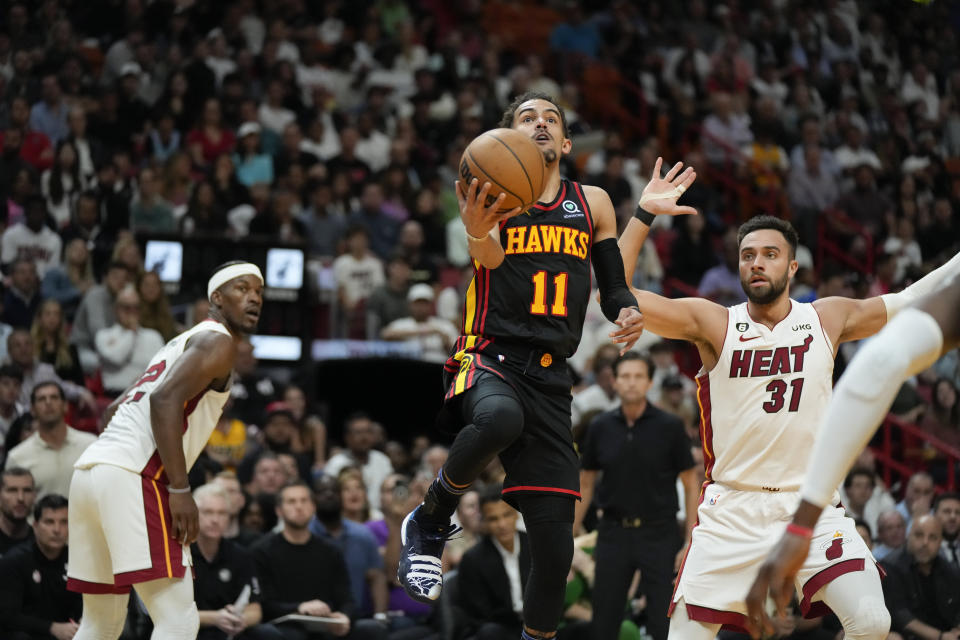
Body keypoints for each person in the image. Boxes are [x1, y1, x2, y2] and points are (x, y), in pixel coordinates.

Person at [397, 91, 693, 640]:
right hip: (490, 355)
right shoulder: (494, 190)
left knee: (555, 550)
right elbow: (484, 260)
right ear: (508, 136)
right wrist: (477, 229)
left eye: (550, 119)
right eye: (526, 118)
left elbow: (612, 289)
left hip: (553, 379)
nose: (539, 124)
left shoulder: (594, 203)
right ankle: (432, 516)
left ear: (565, 142)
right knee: (499, 420)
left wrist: (628, 310)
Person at [615, 212, 960, 640]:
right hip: (732, 511)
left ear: (792, 267)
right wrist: (645, 213)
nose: (756, 263)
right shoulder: (715, 323)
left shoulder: (826, 318)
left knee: (873, 621)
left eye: (770, 255)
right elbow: (617, 293)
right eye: (747, 256)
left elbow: (910, 299)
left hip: (808, 506)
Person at [742, 253, 960, 638]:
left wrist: (802, 524)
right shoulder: (730, 323)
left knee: (873, 620)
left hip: (800, 503)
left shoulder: (826, 318)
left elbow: (881, 362)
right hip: (743, 500)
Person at [66, 261, 264, 640]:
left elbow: (113, 410)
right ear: (216, 298)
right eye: (242, 288)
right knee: (178, 619)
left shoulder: (179, 343)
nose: (254, 297)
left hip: (91, 471)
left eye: (258, 292)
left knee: (101, 623)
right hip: (134, 475)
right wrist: (179, 488)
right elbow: (164, 401)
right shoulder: (218, 341)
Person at [574, 351, 698, 640]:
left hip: (659, 533)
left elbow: (691, 483)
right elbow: (587, 482)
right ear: (614, 382)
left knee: (661, 622)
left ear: (649, 382)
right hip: (613, 532)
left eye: (638, 376)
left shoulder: (669, 426)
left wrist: (691, 538)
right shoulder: (600, 426)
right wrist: (570, 536)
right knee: (604, 621)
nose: (631, 383)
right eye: (625, 376)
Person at [252, 482, 386, 640]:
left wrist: (344, 617)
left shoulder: (330, 551)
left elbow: (347, 599)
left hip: (326, 624)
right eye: (292, 502)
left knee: (371, 629)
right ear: (279, 511)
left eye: (304, 501)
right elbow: (264, 604)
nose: (299, 507)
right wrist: (300, 608)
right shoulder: (262, 551)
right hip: (286, 624)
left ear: (313, 507)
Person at [191, 483, 283, 640]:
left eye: (222, 513)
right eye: (208, 512)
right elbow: (171, 614)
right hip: (192, 630)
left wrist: (241, 620)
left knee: (269, 634)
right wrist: (215, 618)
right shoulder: (180, 555)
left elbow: (255, 609)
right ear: (194, 514)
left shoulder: (240, 555)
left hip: (229, 628)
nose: (215, 519)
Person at [0, 493, 81, 640]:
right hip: (29, 633)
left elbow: (83, 605)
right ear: (35, 526)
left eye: (64, 522)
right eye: (49, 522)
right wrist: (51, 628)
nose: (57, 529)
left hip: (68, 633)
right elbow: (8, 616)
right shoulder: (15, 561)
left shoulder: (78, 559)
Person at [309, 475, 389, 622]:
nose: (329, 494)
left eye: (334, 490)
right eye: (322, 491)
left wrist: (380, 616)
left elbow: (377, 577)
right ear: (313, 498)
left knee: (374, 630)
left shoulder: (362, 534)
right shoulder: (305, 535)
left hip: (356, 617)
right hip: (314, 618)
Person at [457, 488, 531, 640]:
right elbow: (479, 614)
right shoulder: (472, 559)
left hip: (538, 623)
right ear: (484, 520)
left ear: (516, 514)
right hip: (502, 629)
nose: (502, 524)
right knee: (490, 632)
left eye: (507, 515)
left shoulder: (535, 546)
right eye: (493, 519)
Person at [5, 382, 96, 499]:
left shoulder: (91, 445)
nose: (48, 402)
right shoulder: (17, 457)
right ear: (32, 410)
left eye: (54, 397)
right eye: (42, 399)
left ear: (65, 406)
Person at [880, 515, 960, 639]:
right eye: (919, 535)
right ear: (908, 536)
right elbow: (901, 616)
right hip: (906, 635)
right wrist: (940, 636)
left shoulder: (948, 569)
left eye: (932, 538)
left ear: (940, 543)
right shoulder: (890, 566)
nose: (925, 543)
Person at [94, 284, 166, 396]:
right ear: (116, 309)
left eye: (136, 307)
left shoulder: (153, 336)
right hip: (115, 395)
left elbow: (163, 368)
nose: (132, 312)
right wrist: (131, 331)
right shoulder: (103, 335)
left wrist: (143, 380)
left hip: (147, 393)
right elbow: (117, 358)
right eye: (126, 307)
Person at [324, 413, 394, 512]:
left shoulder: (383, 461)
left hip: (381, 517)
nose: (364, 437)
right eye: (358, 432)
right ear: (347, 437)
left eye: (368, 431)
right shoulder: (335, 464)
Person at [0, 467, 35, 555]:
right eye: (12, 490)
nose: (21, 498)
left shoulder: (42, 544)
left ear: (35, 496)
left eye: (27, 490)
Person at [935, 493, 960, 569]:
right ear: (935, 515)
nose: (953, 517)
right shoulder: (928, 551)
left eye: (958, 512)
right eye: (947, 511)